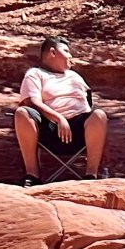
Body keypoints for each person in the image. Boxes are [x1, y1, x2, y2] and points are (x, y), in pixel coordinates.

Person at [15, 37, 109, 184]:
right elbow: (32, 101)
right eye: (66, 51)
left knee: (99, 115)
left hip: (80, 133)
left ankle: (91, 175)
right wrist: (59, 118)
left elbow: (89, 105)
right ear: (52, 52)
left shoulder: (75, 76)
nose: (70, 56)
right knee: (22, 113)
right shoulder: (35, 74)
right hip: (50, 130)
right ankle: (32, 175)